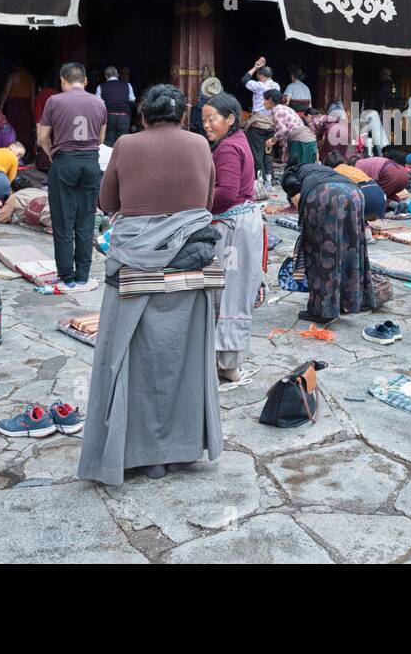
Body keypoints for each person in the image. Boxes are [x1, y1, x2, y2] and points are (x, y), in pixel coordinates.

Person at [78, 84, 221, 485]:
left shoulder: (126, 144)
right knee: (186, 358)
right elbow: (206, 202)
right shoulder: (199, 145)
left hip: (136, 268)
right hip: (189, 267)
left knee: (128, 360)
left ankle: (136, 452)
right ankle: (182, 449)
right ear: (183, 115)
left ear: (143, 116)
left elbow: (108, 203)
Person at [202, 92, 264, 384]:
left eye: (211, 118)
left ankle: (226, 365)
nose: (206, 124)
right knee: (235, 290)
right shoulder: (237, 142)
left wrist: (196, 204)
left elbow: (226, 193)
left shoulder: (227, 148)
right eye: (203, 119)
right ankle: (228, 361)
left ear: (230, 119)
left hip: (233, 230)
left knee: (229, 291)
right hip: (243, 224)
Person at [37, 63, 108, 293]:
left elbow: (42, 137)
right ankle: (83, 277)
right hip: (90, 161)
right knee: (86, 219)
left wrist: (52, 155)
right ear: (85, 81)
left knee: (63, 220)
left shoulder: (55, 101)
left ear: (63, 81)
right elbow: (100, 138)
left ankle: (67, 277)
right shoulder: (99, 102)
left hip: (64, 161)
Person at [280, 163, 376, 324]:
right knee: (351, 247)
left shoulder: (290, 173)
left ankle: (323, 310)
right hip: (355, 193)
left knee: (320, 252)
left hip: (324, 195)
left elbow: (296, 194)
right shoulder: (323, 170)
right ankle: (350, 302)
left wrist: (306, 221)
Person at [323, 152, 387, 219]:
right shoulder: (353, 169)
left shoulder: (332, 173)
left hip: (363, 198)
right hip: (380, 197)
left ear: (327, 166)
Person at [265, 88, 318, 167]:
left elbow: (282, 130)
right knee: (307, 171)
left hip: (301, 143)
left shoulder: (277, 110)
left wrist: (272, 141)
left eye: (265, 100)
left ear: (270, 100)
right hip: (310, 141)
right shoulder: (286, 108)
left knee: (297, 170)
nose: (264, 103)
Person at [0, 65, 37, 156]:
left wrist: (1, 106)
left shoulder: (13, 76)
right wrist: (32, 109)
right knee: (25, 128)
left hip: (15, 106)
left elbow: (6, 92)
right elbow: (33, 95)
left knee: (14, 126)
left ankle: (13, 148)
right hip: (26, 106)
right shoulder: (30, 78)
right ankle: (25, 151)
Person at [96, 66, 135, 147]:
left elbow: (97, 104)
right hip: (124, 117)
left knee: (108, 142)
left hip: (108, 117)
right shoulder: (127, 85)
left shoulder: (101, 86)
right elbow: (132, 100)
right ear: (117, 75)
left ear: (106, 76)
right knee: (123, 142)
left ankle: (109, 159)